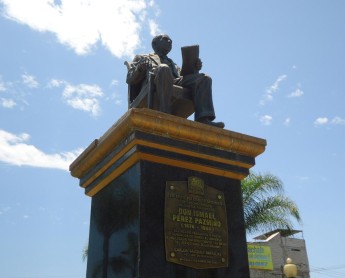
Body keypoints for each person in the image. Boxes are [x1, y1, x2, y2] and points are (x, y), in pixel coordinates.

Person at [126, 34, 225, 128]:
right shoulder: (142, 57)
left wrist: (195, 68)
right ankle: (164, 113)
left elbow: (183, 77)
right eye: (165, 39)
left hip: (174, 81)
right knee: (164, 68)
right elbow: (130, 78)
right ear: (155, 44)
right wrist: (140, 68)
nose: (169, 42)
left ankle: (203, 118)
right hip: (155, 81)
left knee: (204, 78)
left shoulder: (173, 64)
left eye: (171, 41)